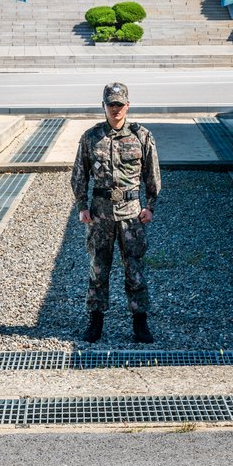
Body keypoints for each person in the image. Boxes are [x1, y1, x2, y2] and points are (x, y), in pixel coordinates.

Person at [71, 81, 161, 344]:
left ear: (128, 106)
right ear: (104, 106)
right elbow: (79, 175)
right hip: (100, 215)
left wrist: (150, 206)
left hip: (132, 214)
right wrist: (82, 206)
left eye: (120, 105)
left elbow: (152, 176)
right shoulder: (91, 137)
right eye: (111, 104)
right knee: (98, 269)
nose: (116, 109)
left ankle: (140, 325)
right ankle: (95, 323)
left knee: (134, 270)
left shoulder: (142, 136)